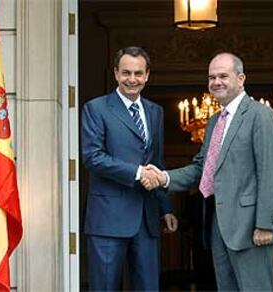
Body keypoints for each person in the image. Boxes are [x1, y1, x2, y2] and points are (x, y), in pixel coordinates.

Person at [143, 52, 273, 291]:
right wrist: (163, 177)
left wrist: (264, 224)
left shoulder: (261, 115)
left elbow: (270, 172)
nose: (216, 82)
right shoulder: (214, 121)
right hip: (218, 226)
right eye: (211, 77)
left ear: (241, 79)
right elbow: (202, 168)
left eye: (223, 76)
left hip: (251, 227)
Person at [81, 46, 178, 291]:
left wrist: (166, 209)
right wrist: (137, 173)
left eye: (138, 73)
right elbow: (92, 157)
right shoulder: (96, 108)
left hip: (147, 218)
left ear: (147, 76)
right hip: (107, 219)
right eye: (126, 73)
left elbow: (157, 161)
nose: (132, 79)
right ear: (116, 73)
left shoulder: (155, 112)